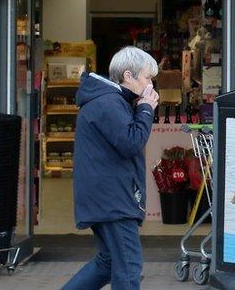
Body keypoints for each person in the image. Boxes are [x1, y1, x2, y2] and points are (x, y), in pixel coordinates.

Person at [63, 46, 160, 290]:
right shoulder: (109, 103)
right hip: (113, 200)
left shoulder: (108, 100)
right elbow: (131, 142)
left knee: (108, 262)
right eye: (148, 77)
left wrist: (141, 108)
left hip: (105, 197)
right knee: (128, 267)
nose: (151, 85)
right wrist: (146, 108)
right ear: (129, 76)